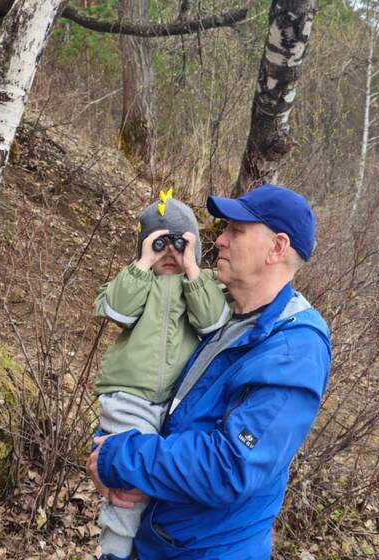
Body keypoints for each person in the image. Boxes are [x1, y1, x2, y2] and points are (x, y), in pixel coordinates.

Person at [88, 183, 332, 559]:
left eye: (236, 231)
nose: (219, 240)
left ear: (277, 248)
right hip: (161, 540)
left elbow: (231, 466)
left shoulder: (294, 349)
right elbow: (163, 409)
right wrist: (118, 461)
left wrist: (120, 458)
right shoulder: (227, 319)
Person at [92, 192, 231, 560]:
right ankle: (115, 551)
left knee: (158, 476)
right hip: (128, 397)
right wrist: (143, 262)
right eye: (160, 244)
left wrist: (192, 271)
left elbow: (213, 322)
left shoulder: (205, 284)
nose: (170, 252)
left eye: (180, 244)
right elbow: (116, 311)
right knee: (127, 477)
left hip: (174, 406)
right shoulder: (137, 280)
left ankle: (142, 548)